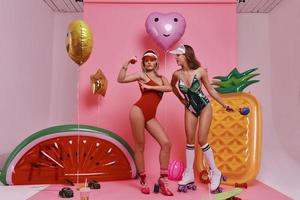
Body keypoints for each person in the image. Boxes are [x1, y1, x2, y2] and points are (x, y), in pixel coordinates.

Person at [169, 44, 234, 193]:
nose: (176, 58)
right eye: (176, 56)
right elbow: (172, 87)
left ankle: (215, 171)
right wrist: (181, 100)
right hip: (190, 108)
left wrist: (224, 104)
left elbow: (210, 90)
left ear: (186, 55)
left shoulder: (201, 71)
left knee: (202, 140)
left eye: (178, 55)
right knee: (190, 140)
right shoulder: (176, 74)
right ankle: (189, 173)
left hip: (204, 106)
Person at [117, 49, 174, 196]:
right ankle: (143, 180)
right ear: (144, 63)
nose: (149, 62)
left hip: (150, 115)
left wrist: (150, 87)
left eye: (151, 60)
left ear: (156, 62)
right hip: (138, 111)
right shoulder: (141, 75)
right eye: (146, 60)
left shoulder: (162, 78)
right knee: (140, 146)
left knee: (166, 143)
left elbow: (169, 88)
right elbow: (120, 79)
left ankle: (163, 180)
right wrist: (127, 63)